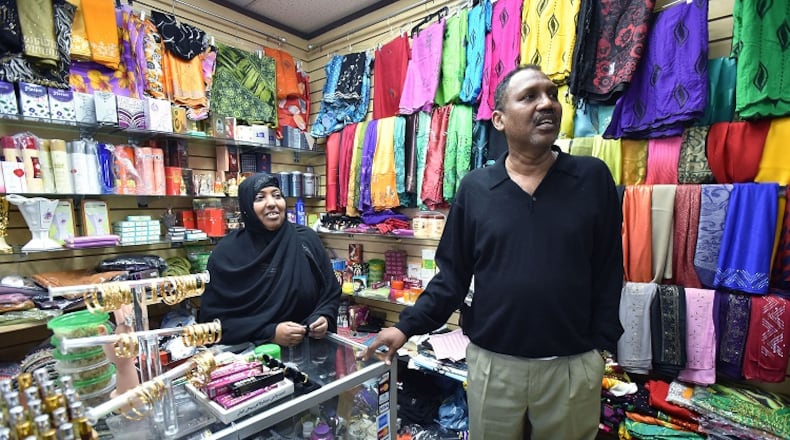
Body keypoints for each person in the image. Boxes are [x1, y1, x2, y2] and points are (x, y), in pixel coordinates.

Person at [360, 65, 624, 440]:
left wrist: (600, 346)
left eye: (551, 94)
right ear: (499, 119)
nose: (546, 103)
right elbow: (452, 277)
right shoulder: (476, 188)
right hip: (494, 367)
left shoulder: (592, 178)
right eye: (529, 96)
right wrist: (405, 327)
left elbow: (609, 268)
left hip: (571, 366)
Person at [200, 172, 341, 347]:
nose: (272, 203)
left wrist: (323, 316)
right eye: (260, 198)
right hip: (252, 356)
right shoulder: (226, 254)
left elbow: (330, 291)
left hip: (309, 350)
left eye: (277, 195)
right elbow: (214, 322)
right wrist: (269, 333)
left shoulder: (305, 240)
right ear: (246, 207)